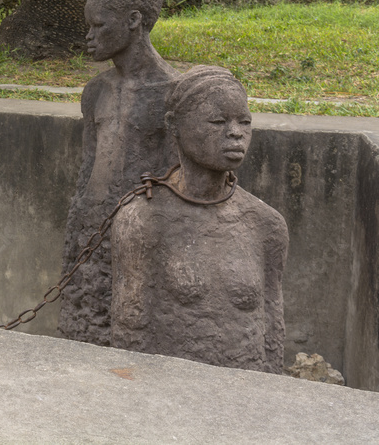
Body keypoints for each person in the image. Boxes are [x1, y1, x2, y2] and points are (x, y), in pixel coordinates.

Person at [110, 66, 288, 373]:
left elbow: (273, 332)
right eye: (218, 121)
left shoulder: (265, 225)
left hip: (246, 398)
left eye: (244, 122)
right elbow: (130, 332)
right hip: (173, 399)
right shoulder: (143, 221)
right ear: (174, 125)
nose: (235, 132)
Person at [58, 0, 180, 346]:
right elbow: (87, 168)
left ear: (133, 21)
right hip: (91, 232)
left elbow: (179, 177)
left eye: (98, 25)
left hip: (144, 231)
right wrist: (78, 228)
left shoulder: (173, 94)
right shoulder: (96, 91)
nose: (89, 37)